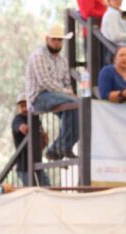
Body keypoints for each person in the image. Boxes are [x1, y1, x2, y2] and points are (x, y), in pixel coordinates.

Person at [25, 24, 79, 160]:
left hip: (57, 96)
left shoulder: (63, 60)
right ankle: (60, 147)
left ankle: (60, 148)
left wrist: (70, 93)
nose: (57, 42)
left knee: (77, 109)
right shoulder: (38, 56)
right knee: (74, 104)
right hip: (38, 97)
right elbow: (45, 82)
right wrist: (68, 93)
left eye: (59, 40)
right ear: (47, 39)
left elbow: (67, 82)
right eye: (54, 39)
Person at [11, 94, 51, 186]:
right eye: (22, 106)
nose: (24, 108)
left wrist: (43, 138)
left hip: (36, 164)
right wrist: (37, 132)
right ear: (18, 108)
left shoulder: (36, 119)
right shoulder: (18, 119)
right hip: (24, 168)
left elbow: (42, 143)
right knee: (34, 191)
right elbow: (23, 129)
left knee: (48, 188)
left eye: (26, 105)